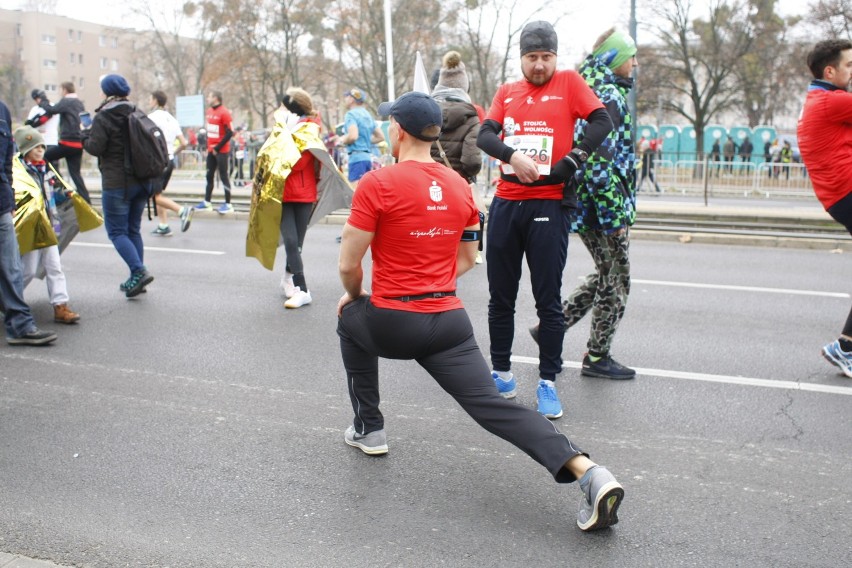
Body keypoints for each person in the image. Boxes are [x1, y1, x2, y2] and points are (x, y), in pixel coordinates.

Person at [337, 91, 624, 532]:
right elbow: (468, 260)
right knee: (493, 407)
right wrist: (431, 280)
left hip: (394, 321)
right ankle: (590, 472)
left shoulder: (378, 182)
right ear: (434, 133)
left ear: (396, 130)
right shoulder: (460, 186)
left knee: (348, 321)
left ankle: (369, 428)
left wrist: (354, 297)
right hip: (449, 322)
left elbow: (348, 263)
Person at [476, 20, 613, 419]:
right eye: (532, 58)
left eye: (546, 57)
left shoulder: (569, 83)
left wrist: (574, 159)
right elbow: (485, 135)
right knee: (500, 297)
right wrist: (511, 156)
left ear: (556, 57)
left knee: (547, 302)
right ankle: (501, 373)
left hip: (549, 205)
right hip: (506, 202)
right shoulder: (508, 91)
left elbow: (602, 120)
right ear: (521, 58)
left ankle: (548, 383)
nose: (539, 65)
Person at [528, 28, 638, 380]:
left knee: (605, 274)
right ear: (614, 59)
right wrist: (611, 216)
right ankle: (597, 357)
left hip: (588, 201)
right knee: (617, 281)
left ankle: (551, 328)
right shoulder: (608, 95)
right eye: (630, 56)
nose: (634, 63)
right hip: (603, 205)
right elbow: (600, 160)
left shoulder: (584, 86)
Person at [797, 39, 852, 378]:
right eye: (849, 66)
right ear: (829, 71)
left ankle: (845, 345)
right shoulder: (832, 101)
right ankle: (844, 348)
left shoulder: (823, 100)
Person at [82, 74, 154, 298]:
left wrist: (84, 132)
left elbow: (95, 148)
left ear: (107, 92)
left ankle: (138, 271)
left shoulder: (105, 116)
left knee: (116, 231)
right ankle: (137, 279)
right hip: (142, 180)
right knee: (133, 230)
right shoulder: (136, 111)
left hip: (117, 184)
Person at [0, 99, 58, 346]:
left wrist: (10, 197)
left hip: (1, 204)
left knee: (11, 266)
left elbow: (6, 162)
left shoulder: (2, 109)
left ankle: (20, 325)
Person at [12, 126, 80, 324]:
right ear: (26, 150)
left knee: (54, 266)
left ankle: (60, 306)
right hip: (32, 228)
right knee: (29, 270)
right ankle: (9, 300)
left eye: (42, 146)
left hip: (49, 225)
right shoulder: (19, 173)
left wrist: (65, 194)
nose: (40, 150)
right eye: (35, 147)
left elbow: (53, 192)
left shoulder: (46, 169)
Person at [430, 50, 485, 264]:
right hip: (456, 186)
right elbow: (471, 160)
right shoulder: (471, 117)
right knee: (452, 246)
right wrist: (468, 175)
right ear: (464, 87)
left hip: (425, 185)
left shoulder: (426, 113)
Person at [278, 88, 321, 309]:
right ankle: (302, 289)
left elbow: (297, 163)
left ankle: (287, 279)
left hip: (304, 191)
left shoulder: (309, 129)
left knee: (298, 244)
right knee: (291, 241)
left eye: (286, 108)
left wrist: (285, 134)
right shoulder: (283, 128)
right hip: (283, 192)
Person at [29, 82, 90, 203]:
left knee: (44, 156)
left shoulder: (66, 101)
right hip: (78, 144)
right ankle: (86, 201)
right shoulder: (79, 103)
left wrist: (43, 101)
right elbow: (86, 121)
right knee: (75, 174)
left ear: (64, 90)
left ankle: (60, 185)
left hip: (67, 142)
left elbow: (52, 110)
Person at [147, 90, 192, 236]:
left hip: (157, 160)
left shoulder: (150, 118)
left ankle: (181, 210)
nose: (149, 101)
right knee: (159, 193)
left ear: (155, 101)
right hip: (169, 159)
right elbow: (184, 143)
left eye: (150, 99)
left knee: (153, 195)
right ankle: (163, 225)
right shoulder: (172, 119)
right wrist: (173, 153)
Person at [337, 88, 385, 189]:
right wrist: (366, 141)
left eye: (347, 97)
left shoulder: (350, 114)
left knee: (355, 191)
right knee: (368, 191)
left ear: (352, 99)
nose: (345, 99)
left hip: (356, 159)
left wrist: (342, 140)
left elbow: (353, 136)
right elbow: (380, 137)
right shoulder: (367, 115)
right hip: (368, 159)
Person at [195, 91, 234, 214]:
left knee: (223, 176)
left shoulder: (224, 112)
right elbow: (210, 132)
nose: (207, 98)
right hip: (211, 150)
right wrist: (208, 147)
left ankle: (228, 204)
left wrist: (218, 147)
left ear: (216, 98)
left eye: (209, 96)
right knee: (209, 175)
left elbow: (229, 133)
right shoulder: (209, 112)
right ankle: (207, 202)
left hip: (221, 150)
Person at [26, 89, 60, 171]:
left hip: (45, 142)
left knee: (48, 168)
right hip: (47, 141)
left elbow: (29, 125)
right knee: (50, 168)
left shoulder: (50, 108)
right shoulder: (53, 107)